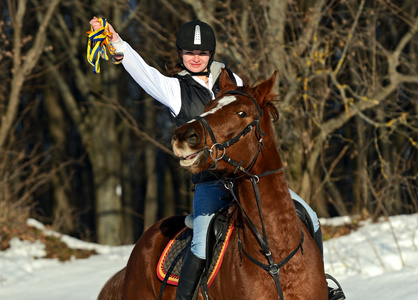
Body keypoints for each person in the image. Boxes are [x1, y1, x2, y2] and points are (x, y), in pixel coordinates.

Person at [89, 17, 328, 300]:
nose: (195, 58)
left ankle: (322, 286)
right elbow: (145, 75)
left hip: (248, 181)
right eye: (189, 52)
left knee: (309, 217)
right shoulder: (175, 89)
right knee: (202, 240)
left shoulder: (232, 81)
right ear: (180, 53)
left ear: (211, 54)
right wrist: (118, 45)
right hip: (211, 185)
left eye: (201, 53)